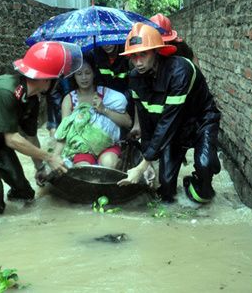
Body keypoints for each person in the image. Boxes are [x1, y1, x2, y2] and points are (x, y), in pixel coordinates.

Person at [0, 41, 83, 214]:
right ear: (48, 79)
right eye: (59, 80)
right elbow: (12, 139)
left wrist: (40, 168)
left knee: (25, 193)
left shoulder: (31, 99)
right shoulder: (5, 92)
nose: (59, 85)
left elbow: (31, 137)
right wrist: (50, 157)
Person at [117, 23, 221, 204]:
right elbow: (147, 124)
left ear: (157, 51)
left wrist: (142, 167)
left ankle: (199, 178)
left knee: (204, 183)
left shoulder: (181, 71)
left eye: (144, 54)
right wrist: (146, 158)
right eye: (134, 56)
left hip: (200, 122)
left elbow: (168, 121)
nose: (139, 62)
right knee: (165, 190)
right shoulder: (135, 78)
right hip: (175, 131)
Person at [52, 55, 132, 169]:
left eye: (88, 72)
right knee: (83, 169)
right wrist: (54, 158)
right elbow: (63, 131)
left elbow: (128, 122)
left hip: (107, 145)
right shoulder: (69, 100)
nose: (84, 78)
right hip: (81, 148)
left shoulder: (107, 95)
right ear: (74, 76)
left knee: (109, 163)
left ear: (94, 73)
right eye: (79, 74)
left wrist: (104, 109)